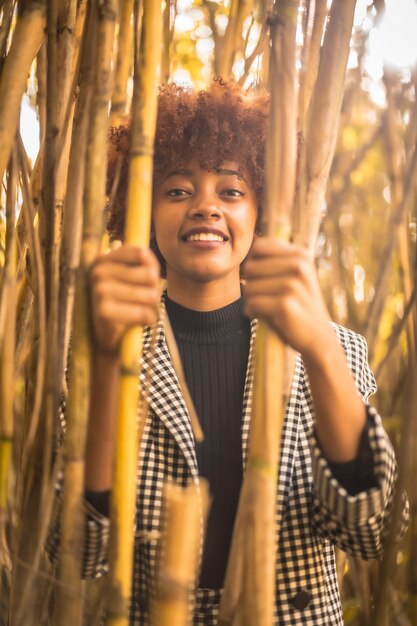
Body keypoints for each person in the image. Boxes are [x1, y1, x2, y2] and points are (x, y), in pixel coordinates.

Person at [48, 79, 408, 625]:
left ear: (260, 212)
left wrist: (316, 348)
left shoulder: (334, 349)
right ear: (142, 213)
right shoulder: (107, 352)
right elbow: (73, 555)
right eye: (177, 190)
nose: (205, 207)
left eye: (231, 191)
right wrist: (102, 364)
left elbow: (372, 532)